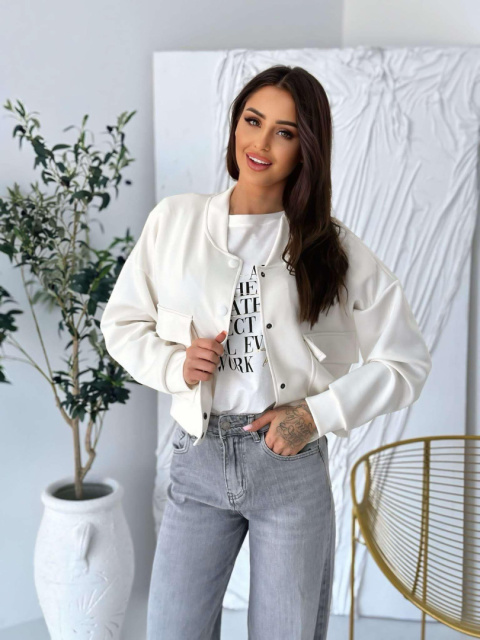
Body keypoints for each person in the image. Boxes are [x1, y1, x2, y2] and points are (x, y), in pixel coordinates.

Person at [100, 65, 432, 640]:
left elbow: (406, 363)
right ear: (235, 125)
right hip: (198, 458)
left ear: (307, 148)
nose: (261, 143)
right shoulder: (174, 221)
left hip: (289, 467)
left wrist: (316, 415)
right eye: (253, 121)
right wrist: (174, 365)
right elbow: (121, 323)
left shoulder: (332, 247)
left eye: (285, 132)